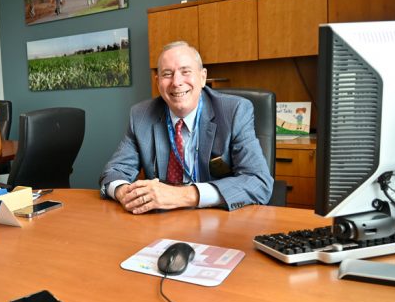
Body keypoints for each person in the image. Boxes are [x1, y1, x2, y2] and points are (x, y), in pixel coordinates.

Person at [99, 41, 273, 214]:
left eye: (185, 72)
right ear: (158, 82)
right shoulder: (141, 116)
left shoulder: (234, 112)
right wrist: (124, 192)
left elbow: (258, 181)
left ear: (203, 77)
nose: (176, 82)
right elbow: (114, 172)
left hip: (217, 220)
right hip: (161, 222)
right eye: (167, 74)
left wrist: (183, 195)